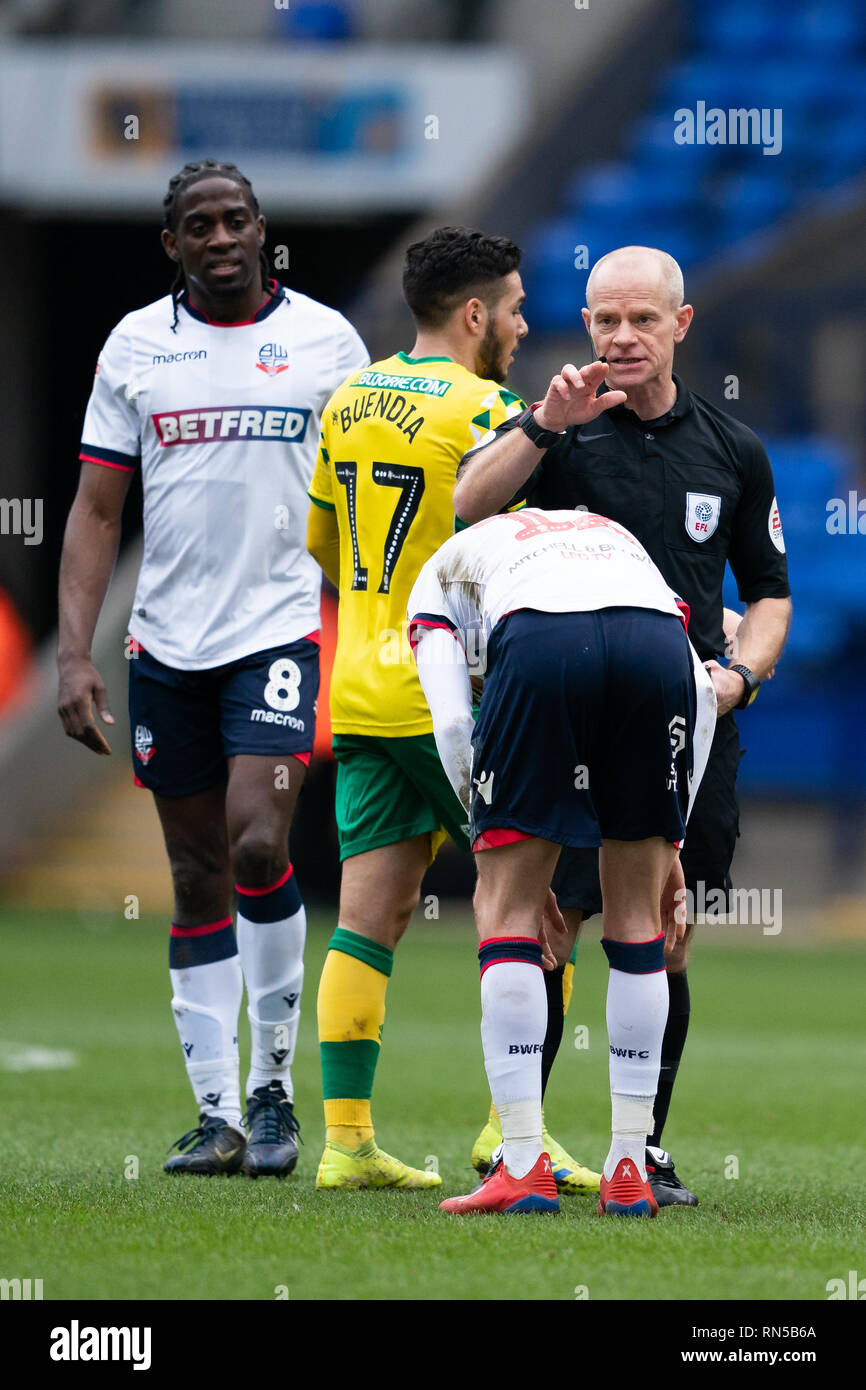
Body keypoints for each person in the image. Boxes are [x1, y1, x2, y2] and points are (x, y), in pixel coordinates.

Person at [452, 245, 792, 1206]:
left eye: (642, 320)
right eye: (605, 319)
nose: (621, 338)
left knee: (667, 931)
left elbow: (768, 595)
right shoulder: (558, 431)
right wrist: (540, 424)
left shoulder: (733, 451)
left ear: (681, 326)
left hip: (683, 714)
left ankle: (643, 1146)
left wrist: (737, 680)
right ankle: (520, 1140)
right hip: (565, 718)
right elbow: (466, 506)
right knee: (549, 924)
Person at [57, 159, 369, 1176]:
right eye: (200, 224)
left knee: (251, 840)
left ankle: (276, 1091)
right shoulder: (136, 345)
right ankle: (217, 1113)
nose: (221, 236)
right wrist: (75, 652)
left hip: (278, 632)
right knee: (193, 874)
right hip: (166, 645)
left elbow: (371, 491)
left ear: (261, 228)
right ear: (173, 244)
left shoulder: (326, 341)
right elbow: (98, 508)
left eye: (236, 218)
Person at [306, 226, 602, 1192]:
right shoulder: (491, 409)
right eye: (514, 309)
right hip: (454, 696)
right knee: (535, 910)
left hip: (358, 688)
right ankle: (509, 1132)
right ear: (474, 313)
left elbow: (319, 544)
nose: (522, 325)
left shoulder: (350, 396)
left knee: (366, 918)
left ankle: (346, 1145)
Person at [408, 507, 716, 1214]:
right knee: (637, 920)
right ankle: (630, 1169)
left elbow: (455, 722)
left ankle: (521, 1166)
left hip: (545, 640)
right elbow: (699, 690)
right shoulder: (611, 534)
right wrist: (672, 843)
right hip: (656, 647)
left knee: (504, 912)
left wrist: (491, 842)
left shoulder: (436, 579)